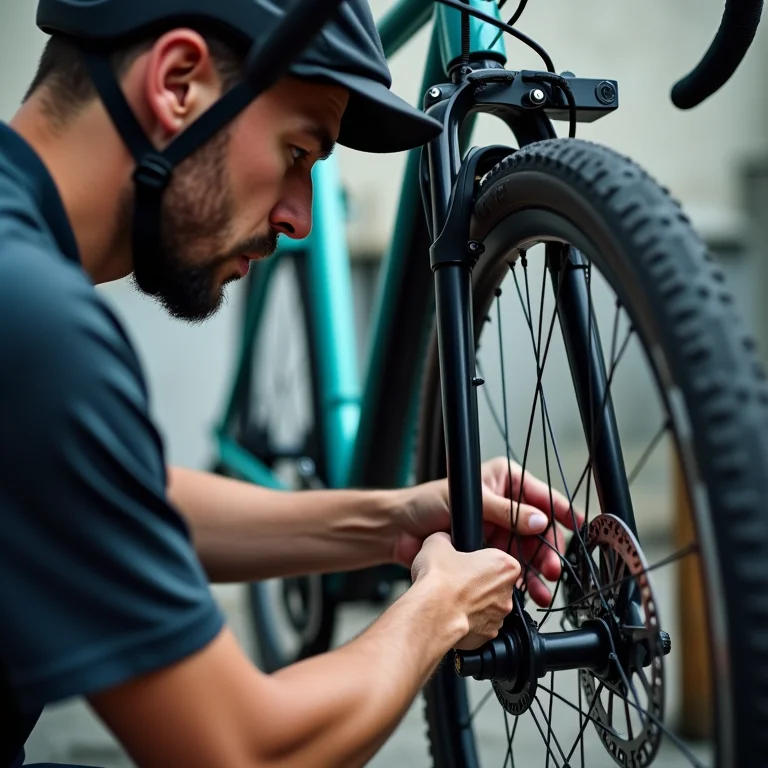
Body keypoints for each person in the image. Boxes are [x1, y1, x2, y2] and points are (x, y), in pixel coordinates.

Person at [0, 1, 579, 765]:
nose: (302, 219)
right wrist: (437, 608)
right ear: (179, 83)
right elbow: (242, 751)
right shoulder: (36, 322)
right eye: (299, 153)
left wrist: (393, 520)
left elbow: (105, 494)